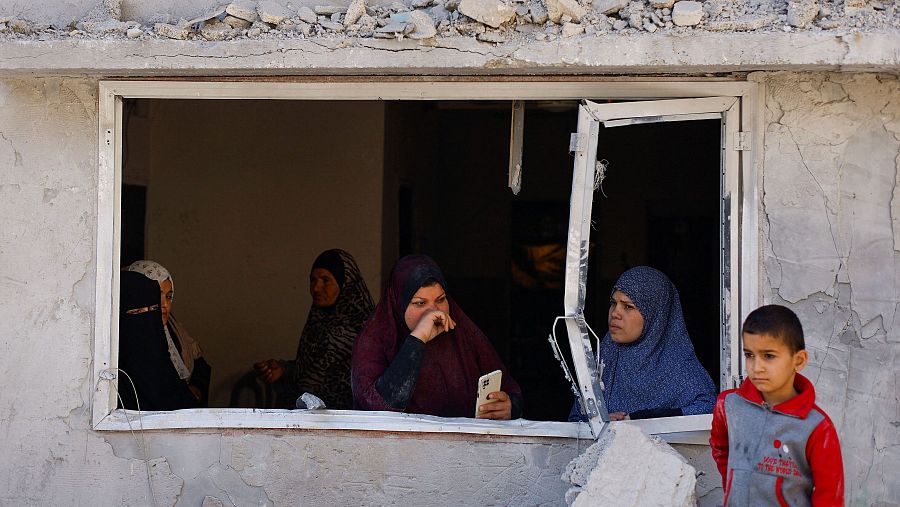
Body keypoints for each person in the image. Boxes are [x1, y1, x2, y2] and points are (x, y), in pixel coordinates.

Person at [352, 254, 523, 419]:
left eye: (440, 300)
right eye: (420, 303)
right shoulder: (374, 340)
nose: (434, 312)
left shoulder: (463, 332)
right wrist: (418, 338)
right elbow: (375, 408)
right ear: (399, 304)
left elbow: (509, 389)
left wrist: (510, 407)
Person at [710, 305, 844, 506]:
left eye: (769, 356)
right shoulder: (728, 405)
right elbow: (721, 449)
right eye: (749, 355)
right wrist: (734, 489)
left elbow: (830, 496)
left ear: (798, 361)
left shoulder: (816, 427)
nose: (757, 367)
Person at [569, 266, 717, 421]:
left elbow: (708, 413)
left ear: (655, 316)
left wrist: (641, 419)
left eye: (628, 306)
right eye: (613, 303)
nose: (614, 313)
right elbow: (575, 420)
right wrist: (597, 422)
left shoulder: (680, 370)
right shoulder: (605, 359)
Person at [255, 249, 374, 409]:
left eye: (326, 280)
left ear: (345, 283)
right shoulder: (317, 322)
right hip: (308, 419)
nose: (316, 288)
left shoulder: (364, 328)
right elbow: (312, 371)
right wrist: (284, 370)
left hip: (345, 422)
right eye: (313, 280)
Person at [126, 260, 212, 406]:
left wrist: (196, 390)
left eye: (168, 296)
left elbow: (200, 365)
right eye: (155, 294)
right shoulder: (130, 338)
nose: (164, 305)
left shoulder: (173, 327)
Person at [118, 271, 199, 411]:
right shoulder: (111, 372)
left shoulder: (160, 356)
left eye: (153, 309)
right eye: (137, 312)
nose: (148, 319)